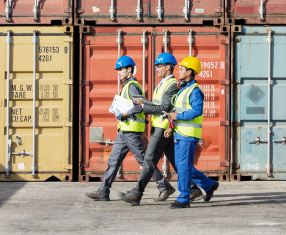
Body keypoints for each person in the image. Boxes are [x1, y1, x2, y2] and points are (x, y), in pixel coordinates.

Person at [116, 52, 202, 206]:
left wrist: (144, 106)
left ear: (168, 67)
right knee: (176, 162)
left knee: (148, 160)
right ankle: (194, 188)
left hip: (163, 129)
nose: (156, 69)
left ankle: (137, 193)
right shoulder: (162, 83)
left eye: (159, 66)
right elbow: (158, 105)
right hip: (159, 128)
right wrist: (145, 103)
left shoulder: (172, 85)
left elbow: (165, 107)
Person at [84, 56, 172, 201]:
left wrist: (124, 115)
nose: (118, 72)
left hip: (131, 131)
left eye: (121, 69)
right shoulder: (127, 85)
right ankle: (103, 191)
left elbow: (139, 106)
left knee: (144, 161)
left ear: (129, 69)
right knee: (113, 161)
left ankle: (164, 186)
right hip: (123, 132)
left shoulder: (132, 86)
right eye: (117, 70)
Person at [167, 56, 219, 209]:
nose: (179, 71)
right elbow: (178, 111)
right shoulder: (184, 89)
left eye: (182, 69)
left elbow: (196, 111)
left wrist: (178, 116)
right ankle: (209, 185)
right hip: (180, 133)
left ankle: (184, 198)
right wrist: (172, 125)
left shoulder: (195, 91)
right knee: (183, 165)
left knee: (183, 166)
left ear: (189, 72)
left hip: (188, 135)